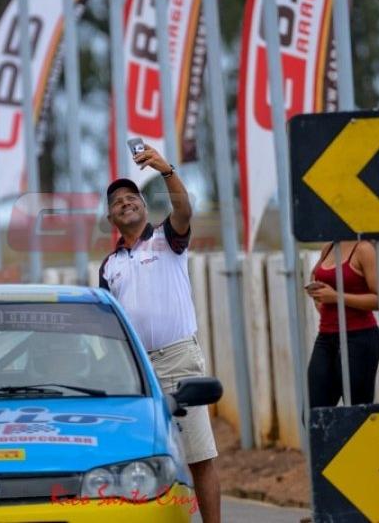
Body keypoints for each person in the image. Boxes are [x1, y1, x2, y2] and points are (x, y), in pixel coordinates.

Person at [99, 144, 220, 523]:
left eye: (131, 196)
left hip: (179, 359)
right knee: (147, 461)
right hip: (138, 371)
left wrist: (166, 171)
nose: (125, 202)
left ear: (144, 205)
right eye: (117, 201)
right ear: (110, 217)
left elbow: (184, 211)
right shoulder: (109, 265)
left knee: (199, 457)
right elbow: (109, 325)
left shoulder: (167, 239)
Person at [305, 240, 379, 408]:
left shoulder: (364, 249)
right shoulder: (329, 247)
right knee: (313, 413)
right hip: (326, 338)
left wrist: (336, 297)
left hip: (359, 339)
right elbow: (316, 276)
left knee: (356, 412)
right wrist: (318, 297)